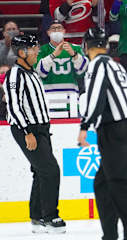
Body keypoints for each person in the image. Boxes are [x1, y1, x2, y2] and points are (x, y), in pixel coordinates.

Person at [77, 27, 127, 240]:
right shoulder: (117, 66)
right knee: (103, 184)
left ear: (86, 46)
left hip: (113, 130)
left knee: (121, 185)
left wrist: (85, 126)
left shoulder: (97, 65)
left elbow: (96, 97)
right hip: (124, 127)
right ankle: (110, 235)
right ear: (105, 45)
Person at [4, 34, 66, 234]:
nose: (37, 51)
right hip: (28, 129)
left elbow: (43, 64)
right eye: (33, 48)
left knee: (41, 172)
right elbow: (13, 107)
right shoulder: (15, 75)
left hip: (41, 129)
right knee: (51, 171)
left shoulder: (31, 72)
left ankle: (37, 216)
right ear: (22, 53)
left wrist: (54, 55)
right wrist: (27, 132)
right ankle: (50, 216)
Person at [34, 20, 88, 95]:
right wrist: (53, 55)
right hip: (48, 97)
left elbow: (82, 72)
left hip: (71, 97)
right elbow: (40, 73)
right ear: (48, 32)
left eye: (59, 28)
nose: (56, 30)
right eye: (53, 28)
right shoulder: (41, 50)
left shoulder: (75, 48)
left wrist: (74, 54)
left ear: (64, 31)